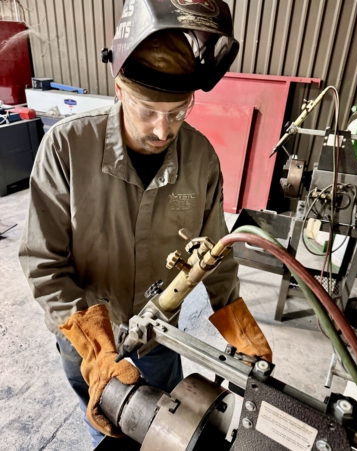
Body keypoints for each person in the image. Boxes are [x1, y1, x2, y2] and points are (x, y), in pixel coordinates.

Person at [19, 0, 271, 447]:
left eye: (178, 112)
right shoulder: (67, 148)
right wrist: (98, 353)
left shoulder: (200, 160)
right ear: (119, 87)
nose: (162, 130)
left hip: (159, 344)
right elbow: (43, 263)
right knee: (109, 433)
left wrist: (243, 336)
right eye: (147, 110)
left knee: (168, 434)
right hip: (88, 344)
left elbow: (217, 258)